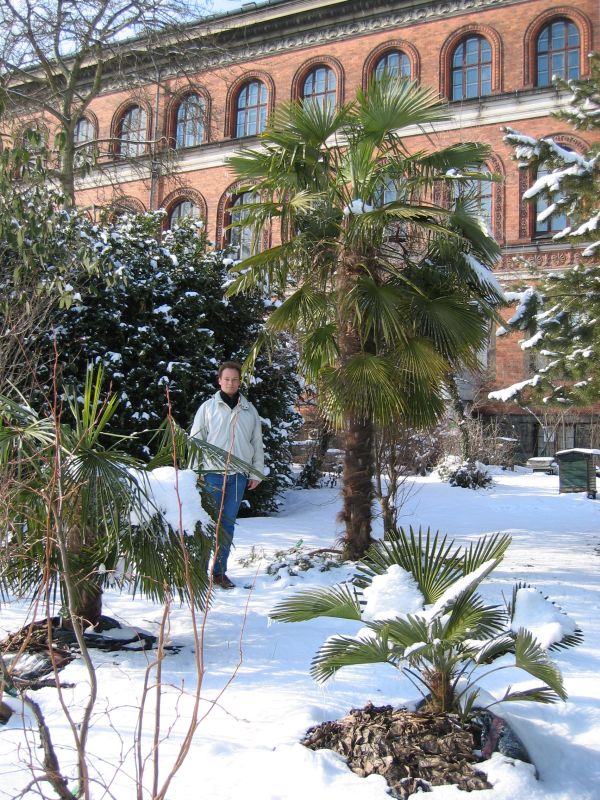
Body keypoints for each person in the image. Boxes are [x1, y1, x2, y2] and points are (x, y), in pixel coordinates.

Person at [190, 361, 265, 589]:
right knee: (205, 525)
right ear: (219, 381)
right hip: (211, 475)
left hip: (238, 477)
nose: (230, 383)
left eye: (235, 379)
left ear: (239, 381)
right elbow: (196, 440)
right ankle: (198, 573)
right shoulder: (208, 408)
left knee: (227, 526)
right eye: (227, 379)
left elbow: (257, 443)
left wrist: (256, 472)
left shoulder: (249, 410)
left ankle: (219, 572)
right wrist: (195, 473)